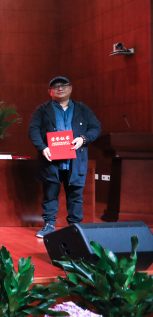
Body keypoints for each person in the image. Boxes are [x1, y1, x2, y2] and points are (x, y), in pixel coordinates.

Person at [28, 76, 101, 238]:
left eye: (63, 85)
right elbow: (33, 130)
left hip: (75, 160)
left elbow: (96, 128)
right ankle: (49, 225)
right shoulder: (42, 109)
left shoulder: (82, 108)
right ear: (50, 91)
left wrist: (83, 139)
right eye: (55, 86)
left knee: (75, 195)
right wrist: (43, 147)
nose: (60, 88)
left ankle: (75, 227)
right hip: (50, 160)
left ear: (71, 88)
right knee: (50, 194)